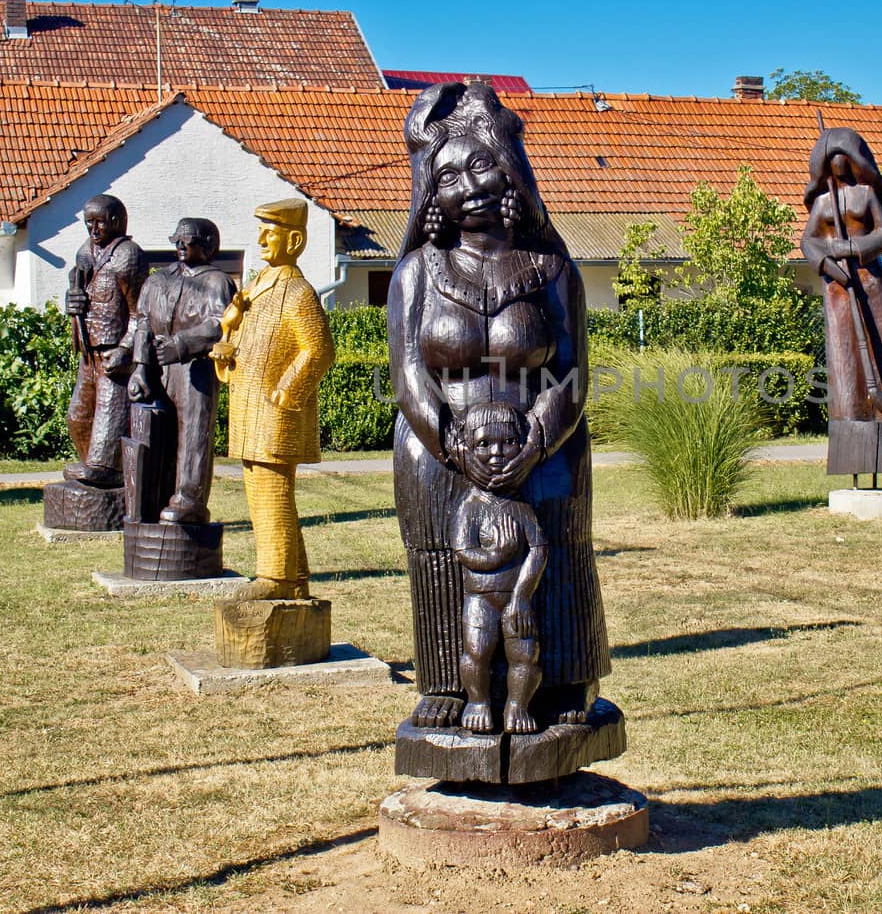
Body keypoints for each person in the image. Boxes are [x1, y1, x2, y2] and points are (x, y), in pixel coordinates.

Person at [389, 81, 609, 731]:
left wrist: (539, 438)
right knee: (437, 556)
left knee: (561, 552)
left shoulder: (551, 271)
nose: (470, 183)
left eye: (482, 163)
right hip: (440, 450)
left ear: (513, 172)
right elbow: (407, 375)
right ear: (432, 194)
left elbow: (571, 372)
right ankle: (449, 684)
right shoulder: (417, 274)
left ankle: (567, 675)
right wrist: (450, 441)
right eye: (450, 173)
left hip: (547, 448)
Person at [211, 199, 335, 599]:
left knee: (271, 491)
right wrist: (228, 347)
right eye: (260, 232)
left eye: (272, 233)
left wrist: (287, 392)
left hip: (275, 412)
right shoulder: (260, 284)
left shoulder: (297, 292)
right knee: (264, 491)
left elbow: (318, 348)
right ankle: (295, 578)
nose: (262, 240)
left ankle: (275, 578)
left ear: (295, 240)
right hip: (251, 408)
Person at [799, 126, 882, 476]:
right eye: (831, 158)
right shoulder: (823, 203)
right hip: (839, 290)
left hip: (870, 283)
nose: (838, 163)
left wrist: (852, 248)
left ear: (854, 161)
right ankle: (850, 418)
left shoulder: (866, 195)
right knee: (843, 357)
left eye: (844, 157)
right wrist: (827, 263)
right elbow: (809, 241)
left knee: (881, 350)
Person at [122, 217, 236, 524]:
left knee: (194, 432)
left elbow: (220, 325)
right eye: (178, 240)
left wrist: (182, 344)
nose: (181, 246)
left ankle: (190, 499)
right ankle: (150, 495)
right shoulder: (159, 280)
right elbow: (143, 321)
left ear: (209, 245)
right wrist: (141, 367)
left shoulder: (217, 282)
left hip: (194, 369)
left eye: (189, 240)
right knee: (154, 431)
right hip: (158, 366)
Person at [448, 402, 548, 735]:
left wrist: (521, 595)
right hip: (480, 597)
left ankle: (517, 706)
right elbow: (464, 552)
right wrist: (499, 555)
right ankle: (478, 703)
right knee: (476, 652)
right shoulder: (471, 506)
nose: (497, 453)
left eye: (508, 443)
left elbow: (539, 548)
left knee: (525, 654)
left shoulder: (519, 507)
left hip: (516, 596)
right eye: (484, 444)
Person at [64, 194, 146, 487]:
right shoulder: (85, 252)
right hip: (89, 352)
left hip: (113, 353)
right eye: (89, 223)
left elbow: (141, 312)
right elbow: (79, 292)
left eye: (100, 223)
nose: (94, 230)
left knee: (109, 420)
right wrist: (71, 301)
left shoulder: (129, 255)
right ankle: (93, 467)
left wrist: (126, 348)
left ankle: (107, 470)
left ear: (116, 222)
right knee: (78, 416)